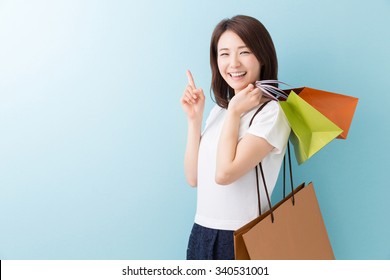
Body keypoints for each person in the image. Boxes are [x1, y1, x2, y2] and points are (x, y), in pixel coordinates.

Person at [180, 15, 291, 260]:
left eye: (244, 52)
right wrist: (194, 119)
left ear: (262, 56)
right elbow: (193, 177)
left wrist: (234, 113)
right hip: (201, 231)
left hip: (241, 236)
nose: (233, 63)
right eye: (224, 54)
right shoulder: (220, 111)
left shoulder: (271, 113)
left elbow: (224, 174)